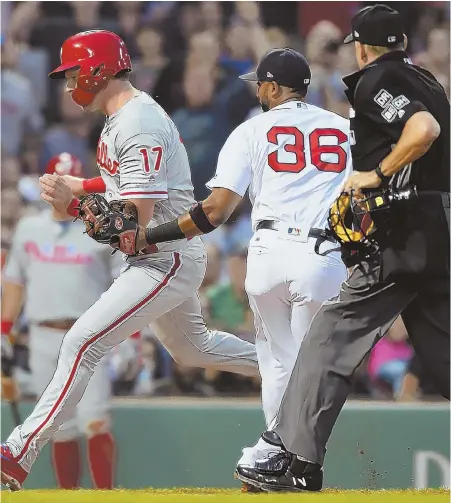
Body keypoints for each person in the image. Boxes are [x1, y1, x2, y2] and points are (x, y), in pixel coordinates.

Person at [79, 47, 352, 486]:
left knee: (278, 361)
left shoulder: (253, 129)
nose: (258, 92)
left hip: (271, 251)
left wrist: (150, 235)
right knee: (305, 365)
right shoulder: (344, 129)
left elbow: (215, 210)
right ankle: (292, 461)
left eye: (261, 84)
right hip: (327, 256)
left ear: (276, 88)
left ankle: (278, 459)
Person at [1, 30, 258, 492]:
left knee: (81, 342)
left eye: (73, 73)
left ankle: (18, 451)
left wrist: (73, 204)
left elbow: (128, 230)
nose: (67, 84)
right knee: (191, 350)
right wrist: (82, 187)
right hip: (159, 256)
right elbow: (121, 183)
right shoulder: (126, 115)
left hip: (164, 257)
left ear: (97, 70)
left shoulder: (136, 122)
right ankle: (288, 367)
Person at [232, 4, 450, 492]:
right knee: (445, 353)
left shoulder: (377, 82)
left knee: (328, 335)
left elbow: (424, 131)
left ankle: (292, 459)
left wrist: (376, 174)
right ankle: (298, 459)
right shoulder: (431, 83)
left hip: (405, 235)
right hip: (440, 232)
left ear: (362, 46)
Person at [2, 153, 120, 490]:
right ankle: (68, 496)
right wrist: (4, 330)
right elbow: (15, 281)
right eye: (56, 182)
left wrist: (132, 337)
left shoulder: (99, 227)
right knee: (58, 427)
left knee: (95, 420)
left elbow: (123, 281)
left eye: (68, 182)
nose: (62, 189)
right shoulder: (29, 227)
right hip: (43, 335)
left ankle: (105, 496)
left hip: (90, 335)